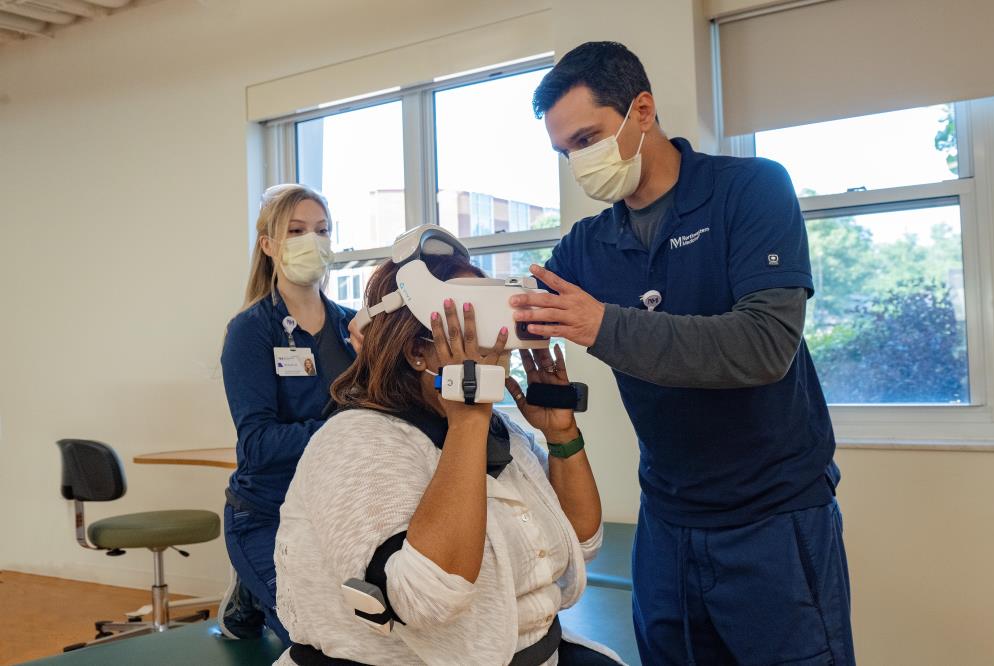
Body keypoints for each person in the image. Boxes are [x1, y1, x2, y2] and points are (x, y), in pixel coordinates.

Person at [510, 42, 854, 665]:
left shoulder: (749, 190)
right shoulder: (590, 244)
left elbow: (763, 345)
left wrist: (602, 324)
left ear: (642, 110)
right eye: (565, 153)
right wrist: (434, 302)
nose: (579, 164)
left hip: (773, 516)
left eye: (587, 139)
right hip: (668, 520)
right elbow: (520, 315)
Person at [273, 254, 623, 665]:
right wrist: (470, 414)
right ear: (417, 351)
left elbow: (581, 543)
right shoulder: (356, 441)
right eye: (468, 328)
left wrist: (561, 434)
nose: (493, 346)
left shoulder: (501, 433)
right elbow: (426, 598)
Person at [219, 184, 357, 644]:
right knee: (319, 640)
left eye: (322, 230)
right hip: (267, 514)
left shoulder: (354, 327)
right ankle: (252, 586)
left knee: (374, 636)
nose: (311, 241)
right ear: (269, 246)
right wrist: (344, 428)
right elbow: (257, 445)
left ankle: (251, 594)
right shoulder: (250, 332)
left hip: (338, 513)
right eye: (296, 231)